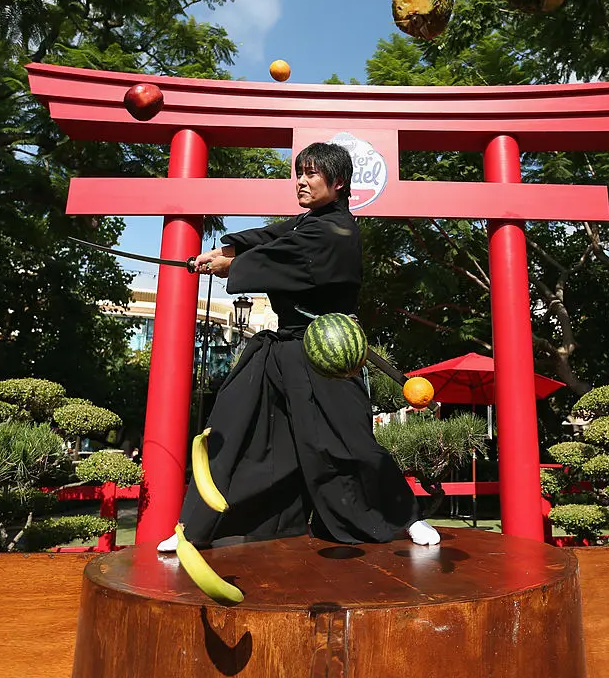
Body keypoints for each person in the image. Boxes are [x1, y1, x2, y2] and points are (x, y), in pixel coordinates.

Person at [158, 142, 439, 552]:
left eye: (312, 174)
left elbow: (289, 256)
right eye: (299, 173)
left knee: (350, 439)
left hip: (327, 352)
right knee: (235, 426)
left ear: (338, 181)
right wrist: (224, 252)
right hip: (281, 347)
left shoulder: (338, 230)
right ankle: (196, 530)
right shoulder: (305, 224)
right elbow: (271, 237)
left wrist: (234, 266)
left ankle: (407, 517)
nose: (301, 181)